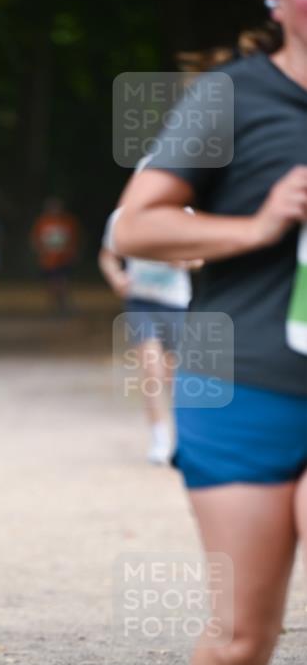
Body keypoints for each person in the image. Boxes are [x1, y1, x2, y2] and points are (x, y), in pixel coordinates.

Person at [114, 0, 307, 665]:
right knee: (242, 636)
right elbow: (137, 223)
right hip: (244, 384)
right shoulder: (230, 98)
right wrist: (264, 222)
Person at [99, 190, 192, 464]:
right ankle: (160, 438)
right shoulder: (122, 218)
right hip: (140, 301)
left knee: (174, 376)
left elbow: (201, 259)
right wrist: (117, 278)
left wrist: (183, 260)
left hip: (176, 303)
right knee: (152, 368)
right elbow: (107, 256)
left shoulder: (184, 215)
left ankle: (183, 437)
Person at [30, 197, 81, 313]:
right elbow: (35, 239)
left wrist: (73, 252)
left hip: (64, 258)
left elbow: (74, 239)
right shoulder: (42, 222)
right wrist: (40, 252)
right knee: (52, 284)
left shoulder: (69, 221)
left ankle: (63, 306)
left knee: (63, 282)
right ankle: (54, 307)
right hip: (48, 260)